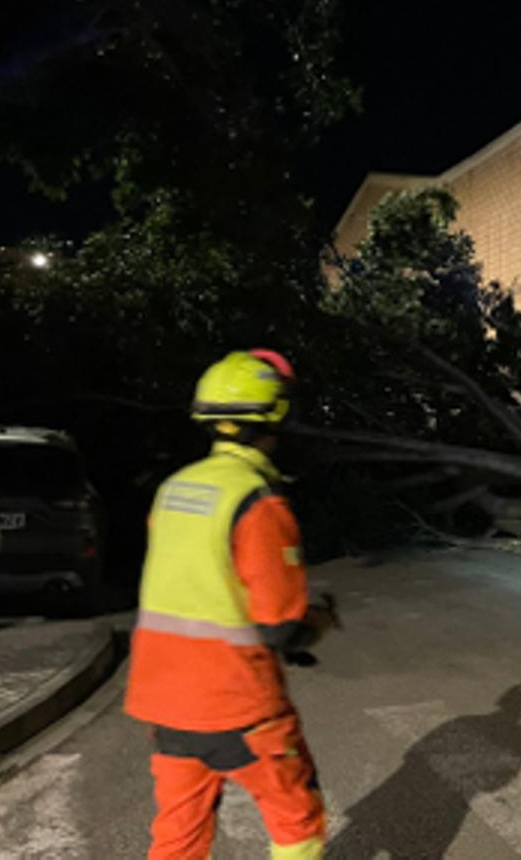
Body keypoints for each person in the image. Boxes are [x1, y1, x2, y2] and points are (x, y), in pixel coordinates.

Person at [125, 349, 337, 859]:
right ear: (277, 417)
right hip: (236, 702)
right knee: (297, 820)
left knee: (179, 835)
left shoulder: (174, 490)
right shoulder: (258, 501)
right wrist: (320, 620)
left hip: (165, 702)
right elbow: (279, 625)